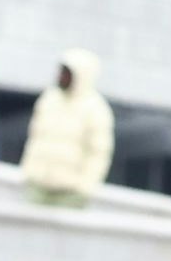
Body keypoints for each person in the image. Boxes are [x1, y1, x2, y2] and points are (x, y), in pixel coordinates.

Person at [19, 49, 113, 206]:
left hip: (70, 193)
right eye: (61, 72)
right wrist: (28, 171)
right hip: (37, 186)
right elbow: (34, 138)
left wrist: (84, 188)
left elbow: (99, 153)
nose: (60, 77)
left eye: (66, 73)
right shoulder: (49, 99)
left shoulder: (96, 109)